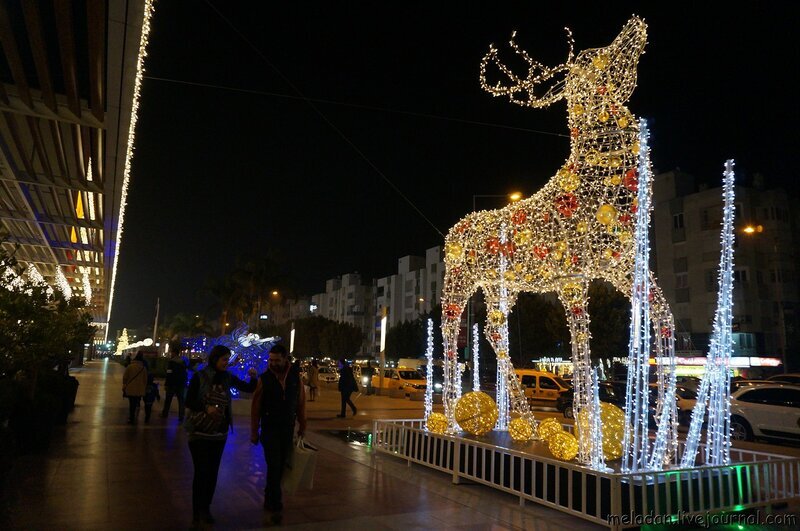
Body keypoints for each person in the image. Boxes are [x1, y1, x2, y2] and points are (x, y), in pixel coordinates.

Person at [184, 345, 257, 526]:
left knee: (212, 473)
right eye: (224, 359)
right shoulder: (199, 377)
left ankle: (205, 508)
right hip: (199, 433)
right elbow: (189, 401)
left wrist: (253, 377)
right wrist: (206, 407)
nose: (227, 362)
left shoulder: (228, 377)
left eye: (227, 359)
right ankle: (196, 512)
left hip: (219, 434)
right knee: (201, 473)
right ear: (215, 358)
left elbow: (247, 388)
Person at [250, 344, 306, 521]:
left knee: (281, 465)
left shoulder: (295, 378)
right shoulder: (264, 379)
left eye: (276, 360)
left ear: (285, 359)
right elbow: (256, 407)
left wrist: (303, 425)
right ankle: (275, 500)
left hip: (287, 429)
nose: (272, 363)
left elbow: (301, 403)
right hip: (269, 429)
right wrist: (254, 431)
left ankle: (270, 494)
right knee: (274, 464)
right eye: (270, 360)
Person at [161, 347, 189, 421]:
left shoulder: (171, 362)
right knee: (181, 401)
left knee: (168, 400)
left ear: (174, 353)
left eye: (171, 352)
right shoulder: (183, 362)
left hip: (172, 384)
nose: (171, 354)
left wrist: (166, 384)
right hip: (181, 384)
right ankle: (181, 416)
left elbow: (169, 374)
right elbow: (185, 373)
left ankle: (165, 413)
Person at [122, 352, 148, 424]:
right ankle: (134, 415)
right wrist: (144, 387)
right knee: (136, 401)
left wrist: (124, 385)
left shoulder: (130, 367)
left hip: (131, 388)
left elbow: (125, 377)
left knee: (131, 403)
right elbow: (145, 380)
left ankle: (131, 417)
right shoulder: (143, 368)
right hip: (140, 388)